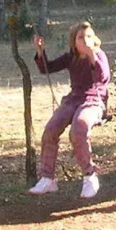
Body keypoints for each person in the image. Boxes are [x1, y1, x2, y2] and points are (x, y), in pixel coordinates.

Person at [29, 21, 110, 199]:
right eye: (81, 37)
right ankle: (47, 178)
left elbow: (102, 77)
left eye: (89, 36)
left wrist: (91, 55)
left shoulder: (98, 55)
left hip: (93, 101)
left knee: (78, 129)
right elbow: (47, 69)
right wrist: (40, 51)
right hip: (73, 100)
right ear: (74, 42)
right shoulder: (70, 58)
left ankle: (89, 176)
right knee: (51, 130)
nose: (85, 41)